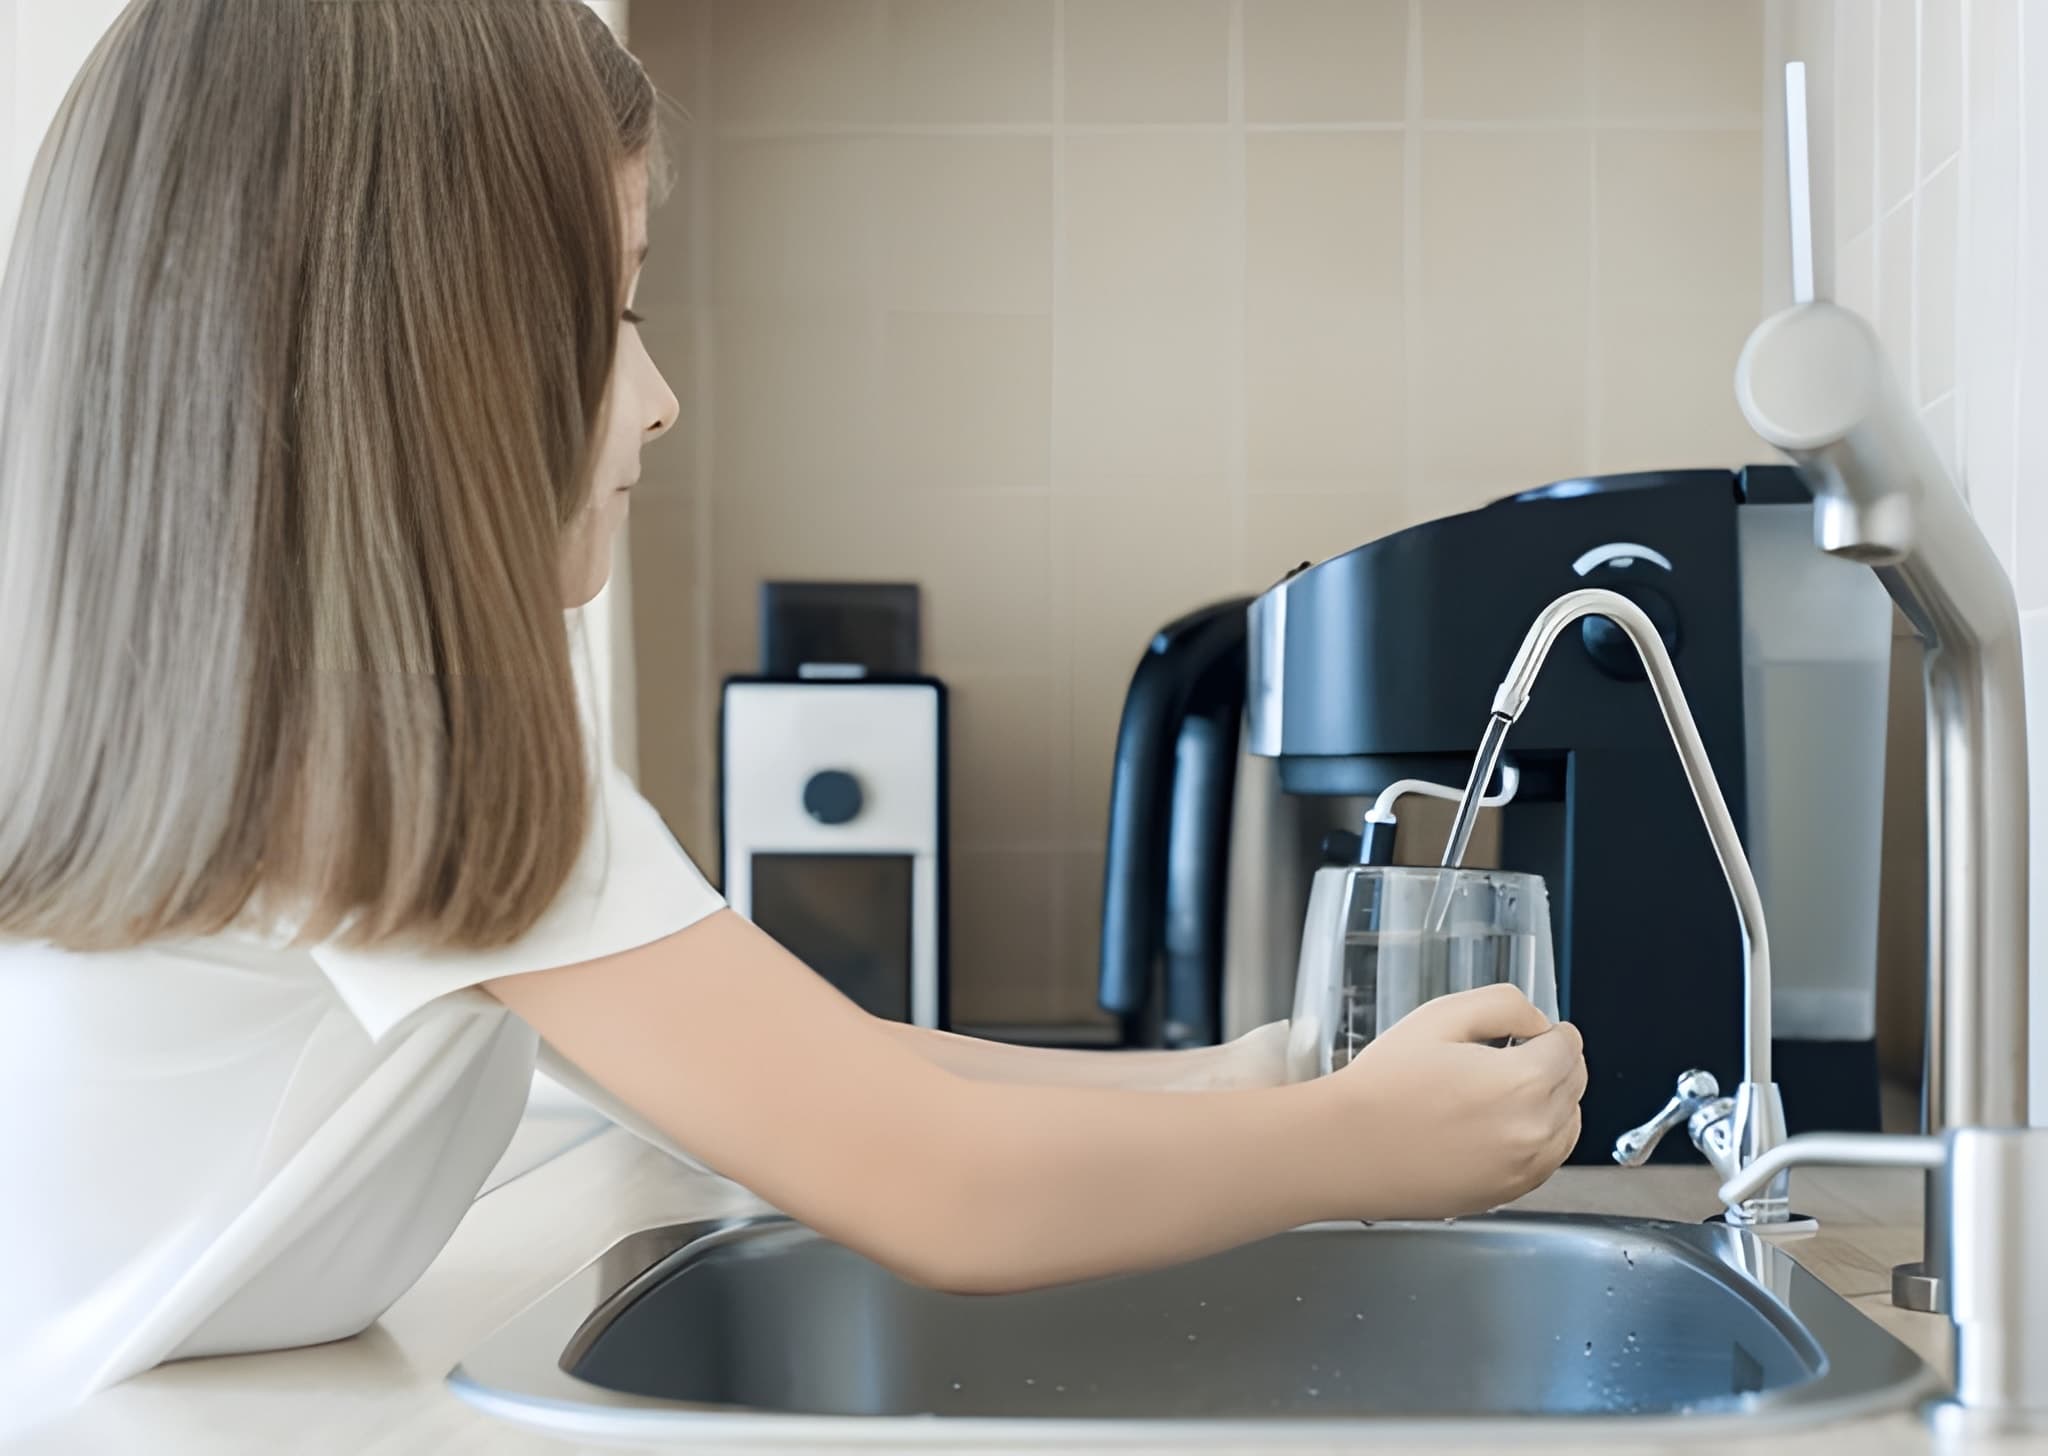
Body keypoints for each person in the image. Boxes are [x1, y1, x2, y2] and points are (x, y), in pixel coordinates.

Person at [0, 0, 1587, 1431]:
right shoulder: (405, 737)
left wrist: (1246, 1085)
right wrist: (1372, 1148)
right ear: (442, 358)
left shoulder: (257, 711)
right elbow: (944, 1185)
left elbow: (833, 1072)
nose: (661, 393)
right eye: (616, 312)